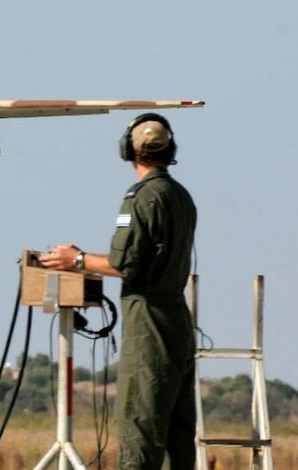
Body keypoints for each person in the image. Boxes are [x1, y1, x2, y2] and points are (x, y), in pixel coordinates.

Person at [40, 113, 197, 469]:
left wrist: (76, 260)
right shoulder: (180, 196)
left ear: (128, 150)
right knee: (177, 436)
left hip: (148, 325)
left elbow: (125, 263)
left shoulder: (142, 197)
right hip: (177, 321)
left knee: (138, 425)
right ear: (170, 148)